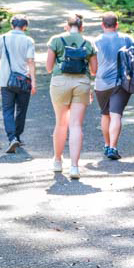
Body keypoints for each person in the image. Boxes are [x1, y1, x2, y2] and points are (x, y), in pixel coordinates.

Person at [46, 13, 97, 179]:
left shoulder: (56, 40)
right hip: (81, 83)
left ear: (67, 26)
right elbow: (94, 70)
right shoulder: (88, 43)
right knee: (75, 125)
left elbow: (48, 67)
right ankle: (74, 167)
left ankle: (57, 161)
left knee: (61, 124)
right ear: (82, 27)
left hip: (59, 83)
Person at [93, 12, 134, 160]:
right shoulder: (126, 39)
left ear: (102, 25)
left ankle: (106, 145)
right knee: (116, 115)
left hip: (101, 83)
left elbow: (91, 63)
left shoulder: (96, 41)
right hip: (121, 83)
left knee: (105, 114)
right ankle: (113, 147)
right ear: (117, 25)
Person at [0, 14, 37, 153]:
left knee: (8, 110)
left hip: (6, 80)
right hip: (23, 81)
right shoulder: (28, 40)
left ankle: (12, 138)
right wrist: (34, 82)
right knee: (21, 110)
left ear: (12, 25)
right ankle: (17, 135)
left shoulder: (2, 38)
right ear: (25, 26)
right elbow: (30, 61)